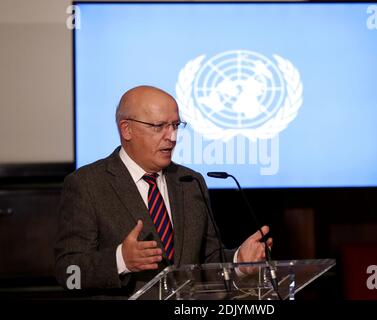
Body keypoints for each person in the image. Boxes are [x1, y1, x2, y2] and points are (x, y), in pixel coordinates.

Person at [54, 85, 272, 299]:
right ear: (126, 129)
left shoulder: (189, 181)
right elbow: (68, 274)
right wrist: (120, 260)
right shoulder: (87, 184)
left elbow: (207, 262)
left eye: (176, 125)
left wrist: (238, 262)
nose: (173, 137)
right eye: (159, 126)